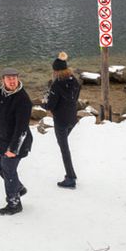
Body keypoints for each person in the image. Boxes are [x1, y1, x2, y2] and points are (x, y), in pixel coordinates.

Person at [0, 68, 33, 215]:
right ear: (3, 80)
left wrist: (13, 149)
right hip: (1, 137)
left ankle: (14, 203)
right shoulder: (4, 93)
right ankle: (18, 188)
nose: (12, 81)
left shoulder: (23, 100)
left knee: (8, 168)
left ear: (18, 79)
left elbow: (22, 128)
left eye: (14, 78)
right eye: (9, 78)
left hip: (17, 141)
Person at [43, 52, 80, 189]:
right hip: (72, 118)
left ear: (56, 71)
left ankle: (70, 178)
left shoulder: (56, 85)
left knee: (64, 148)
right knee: (63, 144)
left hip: (61, 121)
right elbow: (75, 97)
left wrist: (43, 103)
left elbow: (50, 106)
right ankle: (71, 175)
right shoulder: (74, 80)